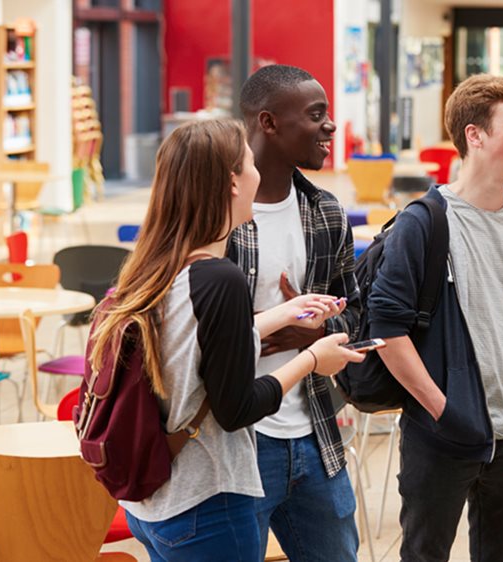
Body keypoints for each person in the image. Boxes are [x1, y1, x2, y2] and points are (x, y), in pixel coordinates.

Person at [91, 119, 364, 561]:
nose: (260, 174)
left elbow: (193, 349)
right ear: (232, 183)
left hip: (156, 503)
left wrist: (286, 312)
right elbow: (237, 408)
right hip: (207, 501)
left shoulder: (159, 267)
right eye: (251, 164)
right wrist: (313, 359)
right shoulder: (221, 279)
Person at [367, 74, 503, 562]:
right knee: (424, 554)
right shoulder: (424, 223)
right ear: (475, 136)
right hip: (442, 437)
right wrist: (445, 413)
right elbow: (387, 330)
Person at [230, 64, 363, 561]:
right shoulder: (217, 215)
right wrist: (269, 320)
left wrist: (312, 333)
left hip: (313, 434)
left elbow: (357, 317)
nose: (330, 126)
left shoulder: (326, 212)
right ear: (267, 122)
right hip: (237, 443)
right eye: (316, 115)